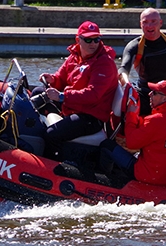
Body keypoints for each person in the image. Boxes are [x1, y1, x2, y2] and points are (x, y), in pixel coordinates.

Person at [39, 21, 118, 159]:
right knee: (37, 92)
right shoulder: (74, 57)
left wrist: (62, 96)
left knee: (52, 134)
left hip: (91, 116)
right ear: (78, 40)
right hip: (74, 106)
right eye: (88, 39)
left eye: (96, 39)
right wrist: (52, 80)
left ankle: (53, 165)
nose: (93, 43)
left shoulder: (104, 63)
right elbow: (61, 78)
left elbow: (93, 95)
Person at [99, 80, 166, 186]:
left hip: (148, 177)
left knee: (106, 145)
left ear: (165, 98)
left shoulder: (155, 121)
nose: (149, 94)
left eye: (154, 93)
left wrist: (131, 114)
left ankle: (103, 183)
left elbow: (131, 143)